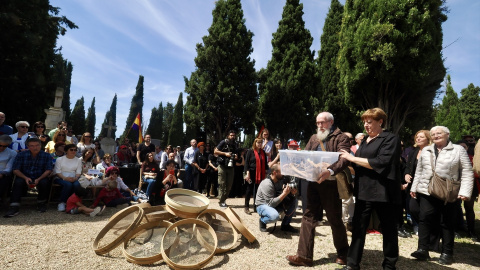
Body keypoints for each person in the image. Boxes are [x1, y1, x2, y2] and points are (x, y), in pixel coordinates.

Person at [337, 108, 402, 270]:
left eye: (370, 121)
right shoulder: (365, 140)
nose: (366, 125)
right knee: (358, 229)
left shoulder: (390, 139)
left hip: (384, 191)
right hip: (364, 191)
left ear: (380, 121)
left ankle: (389, 264)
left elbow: (381, 162)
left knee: (388, 229)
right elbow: (358, 165)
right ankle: (352, 264)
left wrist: (352, 158)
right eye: (364, 122)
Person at [286, 112, 350, 267]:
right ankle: (304, 256)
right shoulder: (314, 138)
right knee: (308, 216)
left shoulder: (341, 137)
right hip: (313, 182)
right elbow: (306, 155)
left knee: (334, 218)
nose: (320, 126)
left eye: (323, 122)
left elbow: (344, 159)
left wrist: (330, 170)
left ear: (331, 122)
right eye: (318, 123)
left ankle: (343, 253)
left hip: (331, 183)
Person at [410, 126, 474, 265]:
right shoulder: (427, 150)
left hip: (448, 191)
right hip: (426, 190)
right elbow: (419, 171)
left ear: (447, 134)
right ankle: (422, 249)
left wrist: (464, 191)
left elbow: (467, 172)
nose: (435, 135)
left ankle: (447, 253)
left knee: (447, 222)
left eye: (439, 133)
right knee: (424, 218)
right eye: (433, 134)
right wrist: (414, 187)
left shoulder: (458, 150)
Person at [4, 138, 53, 217]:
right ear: (28, 146)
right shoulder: (21, 155)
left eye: (37, 145)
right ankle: (14, 206)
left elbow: (48, 170)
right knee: (18, 182)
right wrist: (25, 178)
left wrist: (39, 179)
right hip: (24, 176)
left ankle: (41, 202)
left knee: (44, 182)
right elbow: (16, 170)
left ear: (41, 146)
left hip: (40, 176)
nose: (35, 147)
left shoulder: (46, 155)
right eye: (32, 146)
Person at [404, 130, 432, 236]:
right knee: (412, 207)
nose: (418, 139)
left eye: (421, 137)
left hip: (426, 185)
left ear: (428, 139)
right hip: (412, 185)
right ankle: (417, 225)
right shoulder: (413, 152)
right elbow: (408, 167)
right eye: (417, 137)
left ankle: (426, 227)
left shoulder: (432, 152)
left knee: (425, 209)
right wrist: (406, 174)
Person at [256, 164, 298, 232]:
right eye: (281, 172)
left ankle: (285, 225)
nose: (283, 174)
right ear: (275, 173)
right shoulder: (267, 183)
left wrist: (291, 194)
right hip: (263, 205)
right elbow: (271, 204)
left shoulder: (279, 181)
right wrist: (284, 193)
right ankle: (263, 221)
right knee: (274, 216)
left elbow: (281, 197)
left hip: (275, 203)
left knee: (295, 201)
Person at [54, 144, 83, 212]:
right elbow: (57, 172)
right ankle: (62, 202)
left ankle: (73, 202)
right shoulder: (59, 159)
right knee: (68, 184)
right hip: (60, 177)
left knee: (76, 185)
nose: (73, 151)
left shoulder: (78, 160)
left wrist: (75, 178)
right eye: (71, 150)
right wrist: (65, 178)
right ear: (66, 151)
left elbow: (78, 172)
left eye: (75, 150)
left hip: (73, 177)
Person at [244, 138, 268, 214]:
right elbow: (246, 163)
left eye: (261, 143)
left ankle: (256, 206)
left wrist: (266, 172)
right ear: (255, 143)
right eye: (258, 142)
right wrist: (247, 174)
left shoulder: (263, 152)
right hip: (251, 173)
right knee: (249, 190)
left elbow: (265, 164)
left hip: (261, 174)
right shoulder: (250, 152)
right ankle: (246, 206)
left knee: (258, 191)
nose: (259, 144)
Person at [214, 131, 238, 208]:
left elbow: (236, 154)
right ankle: (221, 201)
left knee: (229, 185)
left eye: (234, 135)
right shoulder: (223, 142)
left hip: (231, 166)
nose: (232, 137)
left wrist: (236, 157)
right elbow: (215, 151)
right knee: (222, 183)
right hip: (222, 165)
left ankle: (224, 199)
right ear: (228, 136)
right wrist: (225, 154)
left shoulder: (236, 144)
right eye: (231, 135)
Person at [0, 135, 17, 203]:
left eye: (4, 146)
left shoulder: (12, 153)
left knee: (3, 181)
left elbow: (9, 167)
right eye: (0, 145)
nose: (1, 147)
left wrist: (2, 174)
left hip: (3, 174)